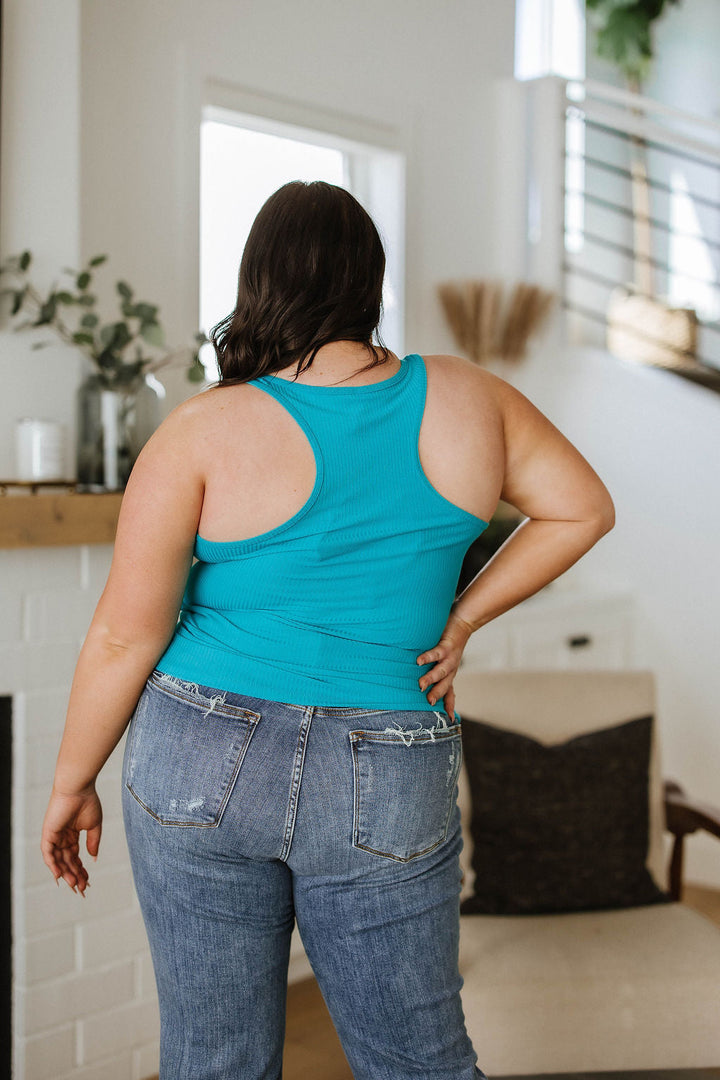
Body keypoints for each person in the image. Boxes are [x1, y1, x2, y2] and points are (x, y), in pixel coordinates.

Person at [41, 180, 615, 1080]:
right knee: (420, 1061)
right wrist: (461, 618)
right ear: (369, 280)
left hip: (200, 749)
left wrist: (72, 780)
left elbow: (123, 635)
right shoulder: (471, 399)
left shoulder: (202, 428)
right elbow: (583, 510)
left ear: (257, 281)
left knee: (213, 1060)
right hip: (389, 752)